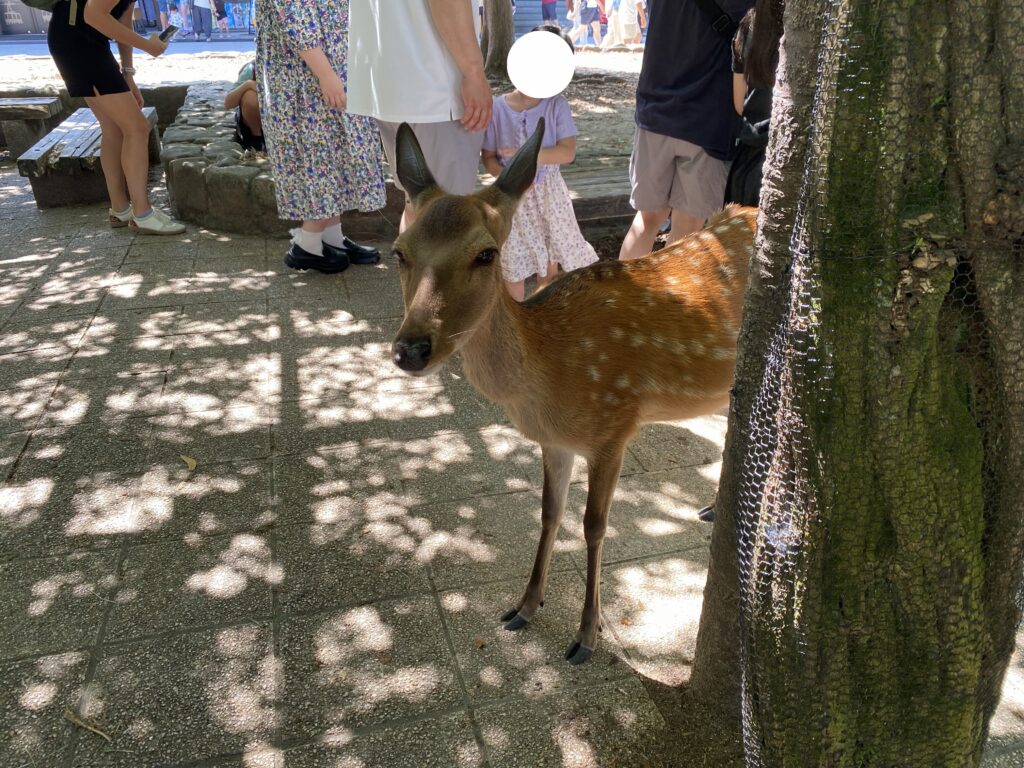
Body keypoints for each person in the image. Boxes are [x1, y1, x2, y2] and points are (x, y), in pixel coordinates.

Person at [256, 0, 385, 273]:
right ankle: (308, 243)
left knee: (332, 151)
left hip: (325, 66)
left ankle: (331, 237)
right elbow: (296, 18)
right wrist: (326, 74)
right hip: (305, 75)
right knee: (319, 154)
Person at [618, 0, 752, 261]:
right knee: (688, 226)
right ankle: (667, 302)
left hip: (655, 110)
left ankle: (621, 300)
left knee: (646, 221)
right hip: (707, 119)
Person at [347, 0, 492, 232]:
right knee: (447, 216)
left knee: (417, 204)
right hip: (434, 87)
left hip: (390, 82)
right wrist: (473, 71)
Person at [46, 0, 185, 235]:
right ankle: (142, 214)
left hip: (83, 41)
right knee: (137, 127)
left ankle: (120, 209)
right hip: (79, 43)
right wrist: (147, 46)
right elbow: (93, 15)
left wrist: (128, 73)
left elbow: (123, 19)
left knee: (113, 127)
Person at [481, 25, 597, 301]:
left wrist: (527, 154)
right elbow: (488, 157)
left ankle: (544, 313)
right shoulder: (498, 108)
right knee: (513, 260)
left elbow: (567, 152)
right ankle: (518, 317)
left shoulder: (557, 105)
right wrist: (507, 176)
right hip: (512, 198)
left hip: (549, 196)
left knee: (549, 256)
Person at [725, 0, 781, 206]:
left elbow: (739, 105)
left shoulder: (746, 29)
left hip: (747, 162)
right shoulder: (805, 32)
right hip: (783, 157)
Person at [224, 60, 263, 152]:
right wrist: (248, 84)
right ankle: (257, 140)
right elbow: (228, 104)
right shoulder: (252, 68)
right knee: (249, 96)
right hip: (257, 123)